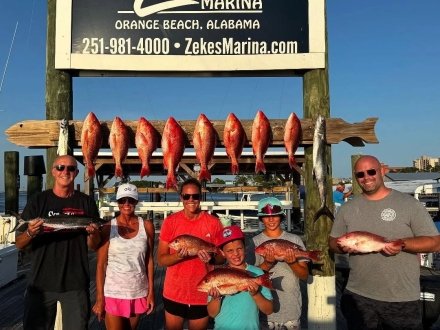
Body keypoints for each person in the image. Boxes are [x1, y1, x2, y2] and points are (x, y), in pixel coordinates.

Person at [328, 155, 440, 330]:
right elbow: (333, 242)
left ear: (382, 171)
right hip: (358, 296)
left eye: (371, 171)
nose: (366, 177)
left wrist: (402, 244)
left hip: (402, 299)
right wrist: (342, 247)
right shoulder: (347, 208)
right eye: (360, 174)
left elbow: (435, 243)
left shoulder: (409, 204)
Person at [15, 155, 101, 330]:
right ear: (53, 171)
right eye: (61, 167)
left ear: (77, 173)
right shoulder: (38, 201)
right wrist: (31, 232)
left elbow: (94, 245)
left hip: (75, 283)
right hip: (40, 283)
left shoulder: (86, 202)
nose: (65, 171)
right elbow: (19, 243)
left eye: (70, 168)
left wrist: (93, 233)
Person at [157, 178, 224, 330]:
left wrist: (212, 258)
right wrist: (178, 256)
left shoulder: (213, 223)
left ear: (201, 197)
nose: (191, 200)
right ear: (181, 197)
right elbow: (161, 260)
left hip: (201, 294)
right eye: (187, 196)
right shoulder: (170, 222)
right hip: (174, 292)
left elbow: (221, 257)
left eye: (196, 196)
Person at [92, 183, 155, 329]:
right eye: (122, 200)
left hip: (138, 291)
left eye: (131, 200)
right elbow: (101, 265)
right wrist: (100, 298)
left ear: (136, 202)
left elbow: (149, 260)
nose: (126, 204)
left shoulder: (147, 226)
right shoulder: (108, 227)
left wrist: (151, 292)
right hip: (113, 292)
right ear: (118, 202)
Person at [248, 196, 308, 330]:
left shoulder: (295, 239)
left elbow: (304, 275)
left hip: (291, 309)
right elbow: (249, 276)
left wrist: (292, 263)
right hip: (264, 312)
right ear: (261, 218)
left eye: (275, 215)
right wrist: (267, 264)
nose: (271, 219)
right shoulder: (254, 243)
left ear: (281, 216)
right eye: (266, 216)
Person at [207, 225, 273, 329]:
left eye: (239, 249)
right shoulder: (217, 275)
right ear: (222, 253)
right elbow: (212, 313)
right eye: (230, 251)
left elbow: (269, 310)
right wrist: (216, 298)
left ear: (245, 248)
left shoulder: (257, 273)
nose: (236, 254)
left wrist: (256, 294)